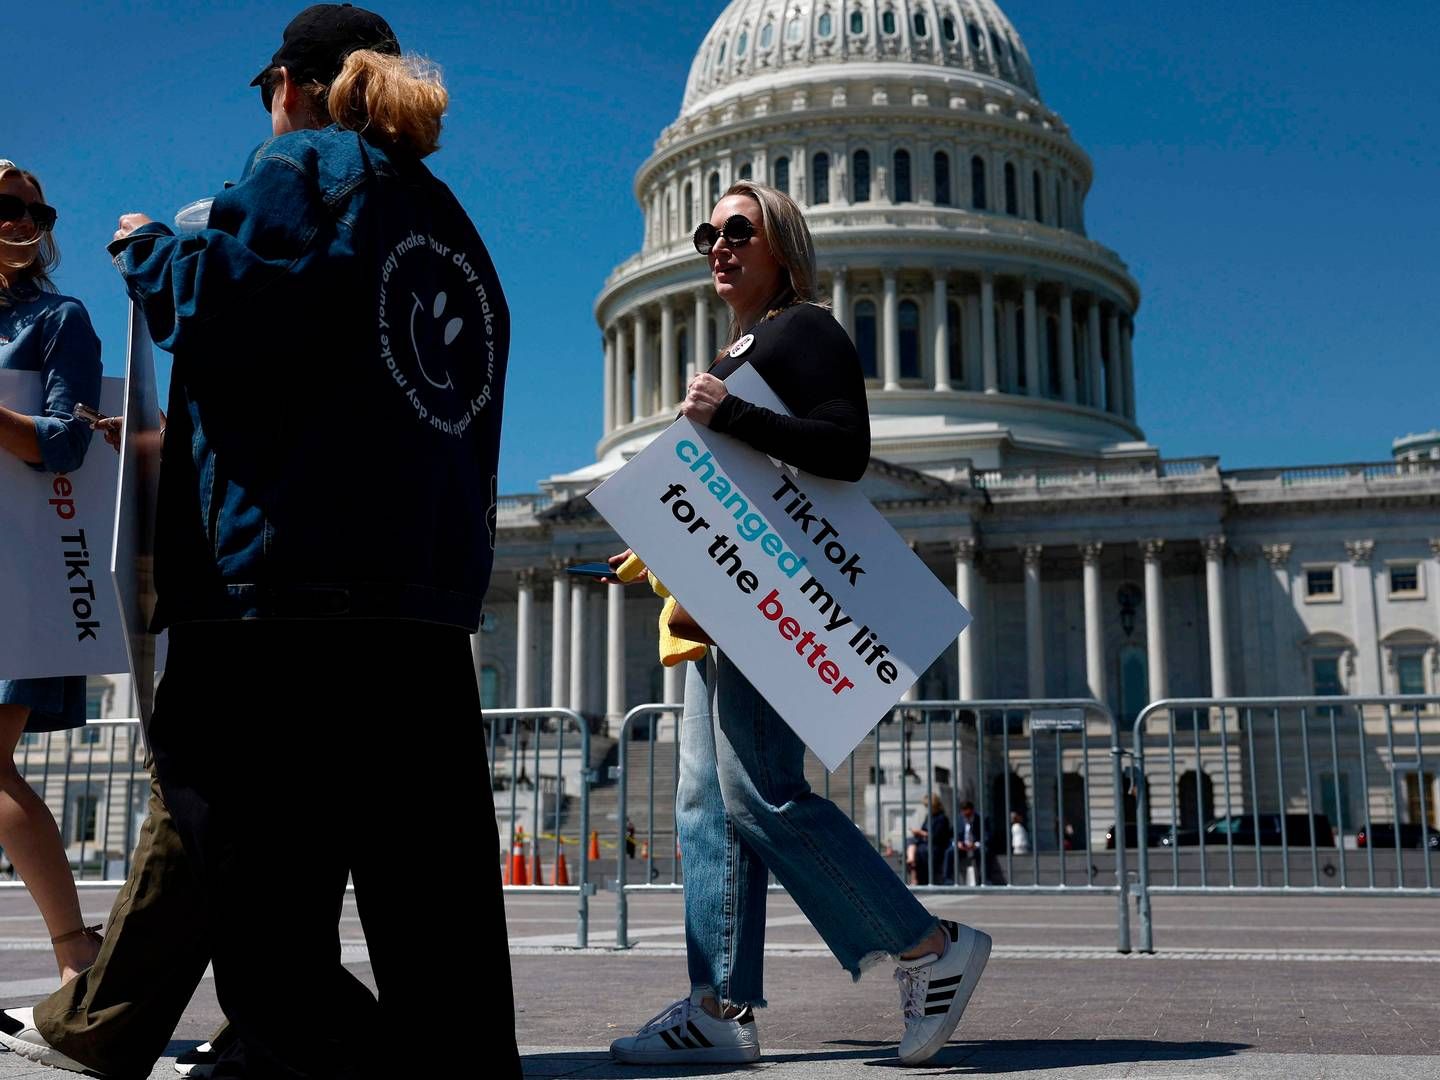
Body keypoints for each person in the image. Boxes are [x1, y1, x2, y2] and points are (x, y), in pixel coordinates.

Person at [102, 7, 515, 1078]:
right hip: (419, 607)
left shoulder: (304, 166)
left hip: (282, 595)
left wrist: (152, 251)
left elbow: (225, 302)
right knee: (438, 917)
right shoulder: (450, 225)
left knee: (259, 893)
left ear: (287, 83)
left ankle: (311, 1054)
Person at [608, 182, 991, 1068]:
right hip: (722, 601)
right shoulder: (743, 343)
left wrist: (726, 413)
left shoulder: (805, 330)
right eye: (709, 232)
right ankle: (718, 1008)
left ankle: (928, 946)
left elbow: (844, 449)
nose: (716, 244)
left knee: (758, 792)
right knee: (704, 804)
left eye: (738, 231)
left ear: (782, 246)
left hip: (767, 605)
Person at [0, 158, 104, 986]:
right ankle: (78, 954)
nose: (23, 218)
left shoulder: (59, 318)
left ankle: (78, 954)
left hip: (20, 563)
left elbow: (65, 442)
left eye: (37, 208)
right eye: (4, 205)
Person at [906, 795, 953, 886]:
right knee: (909, 841)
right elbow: (923, 829)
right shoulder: (929, 817)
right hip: (925, 842)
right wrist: (919, 833)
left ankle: (914, 875)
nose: (927, 808)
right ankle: (911, 860)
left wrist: (922, 833)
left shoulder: (942, 818)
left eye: (928, 806)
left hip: (936, 845)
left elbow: (938, 836)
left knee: (918, 851)